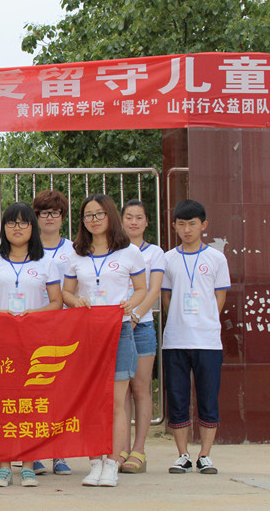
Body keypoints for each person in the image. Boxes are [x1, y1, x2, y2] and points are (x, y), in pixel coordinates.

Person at [0, 202, 63, 487]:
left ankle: (28, 465)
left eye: (24, 223)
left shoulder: (46, 262)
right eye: (11, 223)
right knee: (2, 404)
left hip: (35, 344)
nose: (17, 228)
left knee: (31, 404)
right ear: (4, 228)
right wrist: (0, 315)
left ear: (32, 227)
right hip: (0, 343)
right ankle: (3, 465)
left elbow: (57, 302)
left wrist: (32, 315)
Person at [62, 194, 146, 488]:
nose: (94, 220)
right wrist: (76, 301)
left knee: (115, 402)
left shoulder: (130, 252)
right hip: (87, 335)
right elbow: (66, 292)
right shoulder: (76, 254)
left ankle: (111, 463)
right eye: (88, 215)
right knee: (91, 401)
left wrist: (130, 304)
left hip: (118, 331)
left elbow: (141, 289)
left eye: (99, 214)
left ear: (110, 215)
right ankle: (94, 462)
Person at [161, 200, 230, 475]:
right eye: (181, 224)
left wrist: (205, 320)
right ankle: (182, 455)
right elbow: (166, 296)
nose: (187, 229)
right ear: (174, 226)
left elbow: (220, 296)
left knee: (207, 397)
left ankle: (205, 455)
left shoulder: (216, 258)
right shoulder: (168, 258)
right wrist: (180, 318)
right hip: (175, 340)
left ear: (204, 225)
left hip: (207, 341)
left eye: (192, 224)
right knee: (178, 398)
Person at [120, 199, 166, 474]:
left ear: (147, 222)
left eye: (139, 217)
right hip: (116, 327)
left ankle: (139, 449)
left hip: (142, 327)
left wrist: (136, 316)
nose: (134, 222)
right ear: (121, 220)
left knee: (140, 388)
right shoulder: (115, 250)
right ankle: (122, 448)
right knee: (121, 390)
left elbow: (153, 290)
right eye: (129, 217)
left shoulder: (155, 253)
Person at [31, 190, 74, 475]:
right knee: (34, 390)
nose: (49, 218)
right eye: (44, 213)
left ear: (62, 217)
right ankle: (33, 452)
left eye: (55, 213)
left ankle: (60, 453)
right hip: (32, 326)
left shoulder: (74, 249)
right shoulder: (26, 247)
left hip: (64, 327)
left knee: (61, 392)